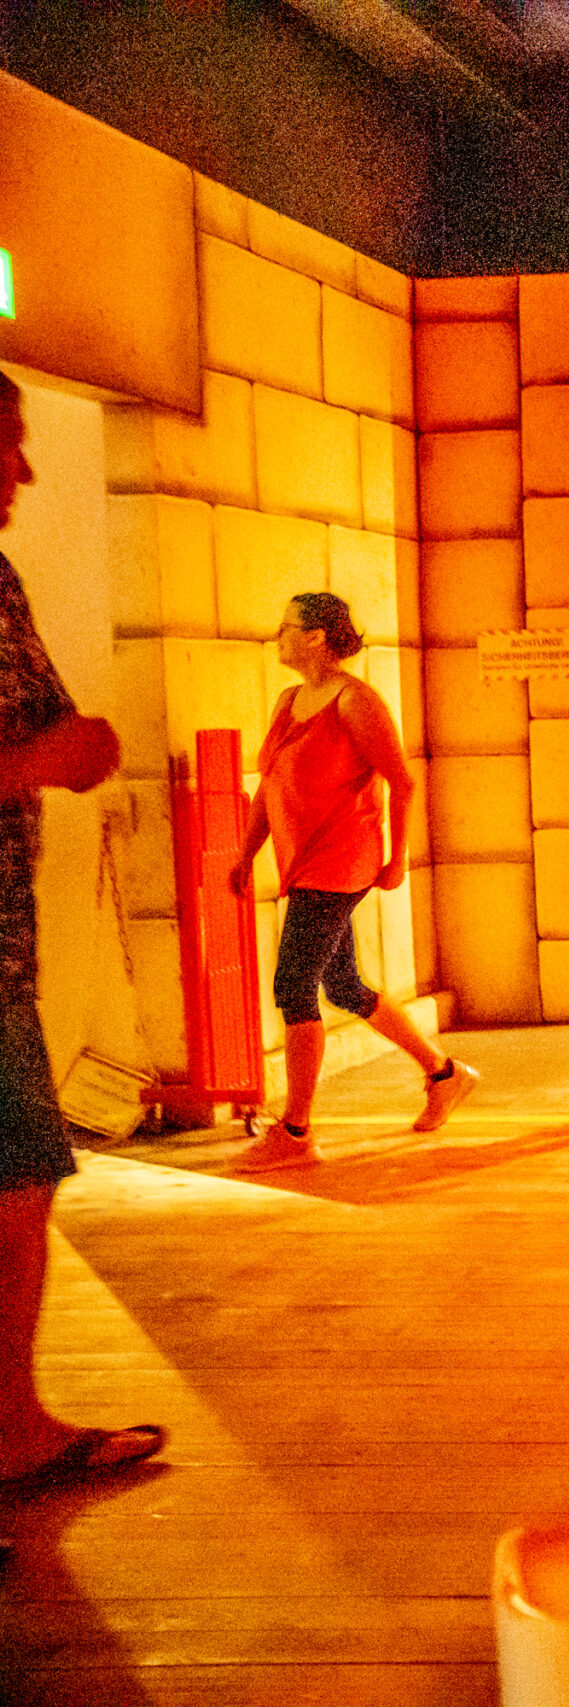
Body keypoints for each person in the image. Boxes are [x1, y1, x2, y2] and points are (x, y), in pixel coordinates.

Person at [0, 371, 165, 1489]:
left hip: (6, 944)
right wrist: (34, 764)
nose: (24, 470)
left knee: (20, 1183)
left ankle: (14, 1422)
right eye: (4, 444)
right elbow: (37, 748)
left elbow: (55, 726)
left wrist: (73, 749)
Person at [228, 592, 475, 1170]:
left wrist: (398, 858)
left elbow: (402, 782)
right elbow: (269, 785)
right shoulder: (289, 701)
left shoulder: (355, 701)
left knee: (293, 985)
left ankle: (295, 1130)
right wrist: (245, 854)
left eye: (286, 626)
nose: (277, 635)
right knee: (342, 985)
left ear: (315, 636)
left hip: (342, 859)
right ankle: (444, 1074)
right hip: (302, 861)